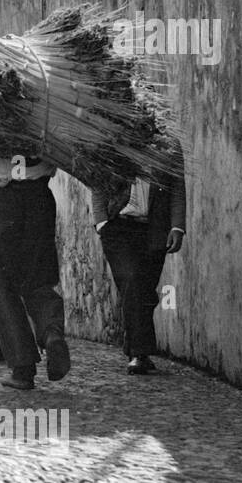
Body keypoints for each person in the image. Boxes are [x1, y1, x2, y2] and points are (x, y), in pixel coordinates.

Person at [0, 153, 68, 390]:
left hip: (2, 199)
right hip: (39, 198)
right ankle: (51, 333)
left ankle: (22, 368)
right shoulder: (49, 120)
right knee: (40, 277)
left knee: (2, 285)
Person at [92, 149, 187, 375]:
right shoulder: (114, 137)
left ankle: (133, 341)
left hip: (154, 228)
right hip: (119, 226)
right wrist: (101, 222)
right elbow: (96, 179)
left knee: (144, 289)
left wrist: (177, 226)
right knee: (132, 279)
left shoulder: (168, 143)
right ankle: (139, 353)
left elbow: (177, 186)